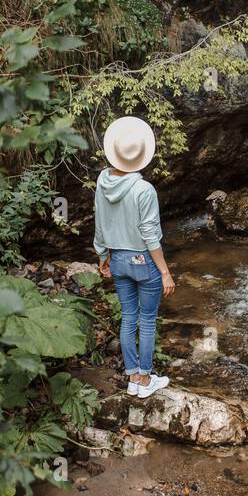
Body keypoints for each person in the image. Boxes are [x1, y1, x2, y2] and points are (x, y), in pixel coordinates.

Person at [92, 116, 175, 398]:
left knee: (128, 317)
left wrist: (102, 256)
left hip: (117, 260)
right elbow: (150, 234)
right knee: (147, 320)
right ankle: (144, 378)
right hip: (142, 260)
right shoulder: (144, 190)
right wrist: (164, 271)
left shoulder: (102, 184)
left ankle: (131, 378)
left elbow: (100, 224)